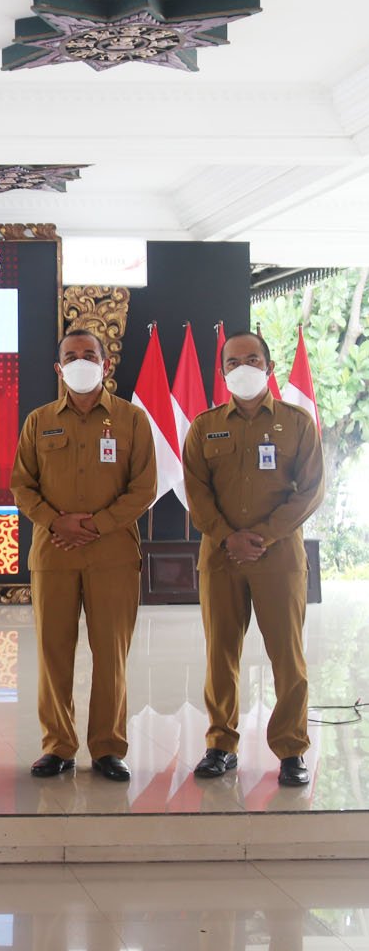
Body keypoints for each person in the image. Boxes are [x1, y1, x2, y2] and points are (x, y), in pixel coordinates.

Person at [10, 329, 158, 782]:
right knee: (55, 653)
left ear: (105, 364)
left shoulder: (132, 420)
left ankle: (109, 748)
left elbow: (144, 487)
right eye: (71, 356)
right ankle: (57, 746)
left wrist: (95, 524)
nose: (80, 362)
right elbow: (22, 484)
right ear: (58, 369)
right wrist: (58, 522)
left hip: (112, 555)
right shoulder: (38, 421)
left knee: (110, 654)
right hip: (53, 553)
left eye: (88, 355)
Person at [183, 330, 324, 787]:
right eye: (233, 362)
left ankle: (291, 750)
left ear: (269, 367)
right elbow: (196, 491)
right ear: (221, 372)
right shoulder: (204, 426)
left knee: (288, 656)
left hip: (278, 558)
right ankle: (220, 745)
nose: (243, 368)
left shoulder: (297, 422)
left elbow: (310, 490)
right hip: (221, 558)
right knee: (220, 654)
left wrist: (259, 536)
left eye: (252, 359)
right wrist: (227, 537)